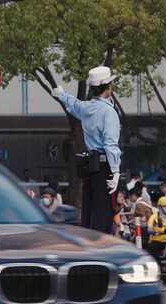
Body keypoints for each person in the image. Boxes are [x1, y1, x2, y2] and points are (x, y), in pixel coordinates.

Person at [53, 66, 121, 233]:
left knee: (89, 214)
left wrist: (62, 94)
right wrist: (115, 171)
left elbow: (74, 104)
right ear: (107, 87)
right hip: (104, 166)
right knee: (103, 214)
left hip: (90, 166)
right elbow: (110, 144)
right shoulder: (108, 112)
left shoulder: (87, 108)